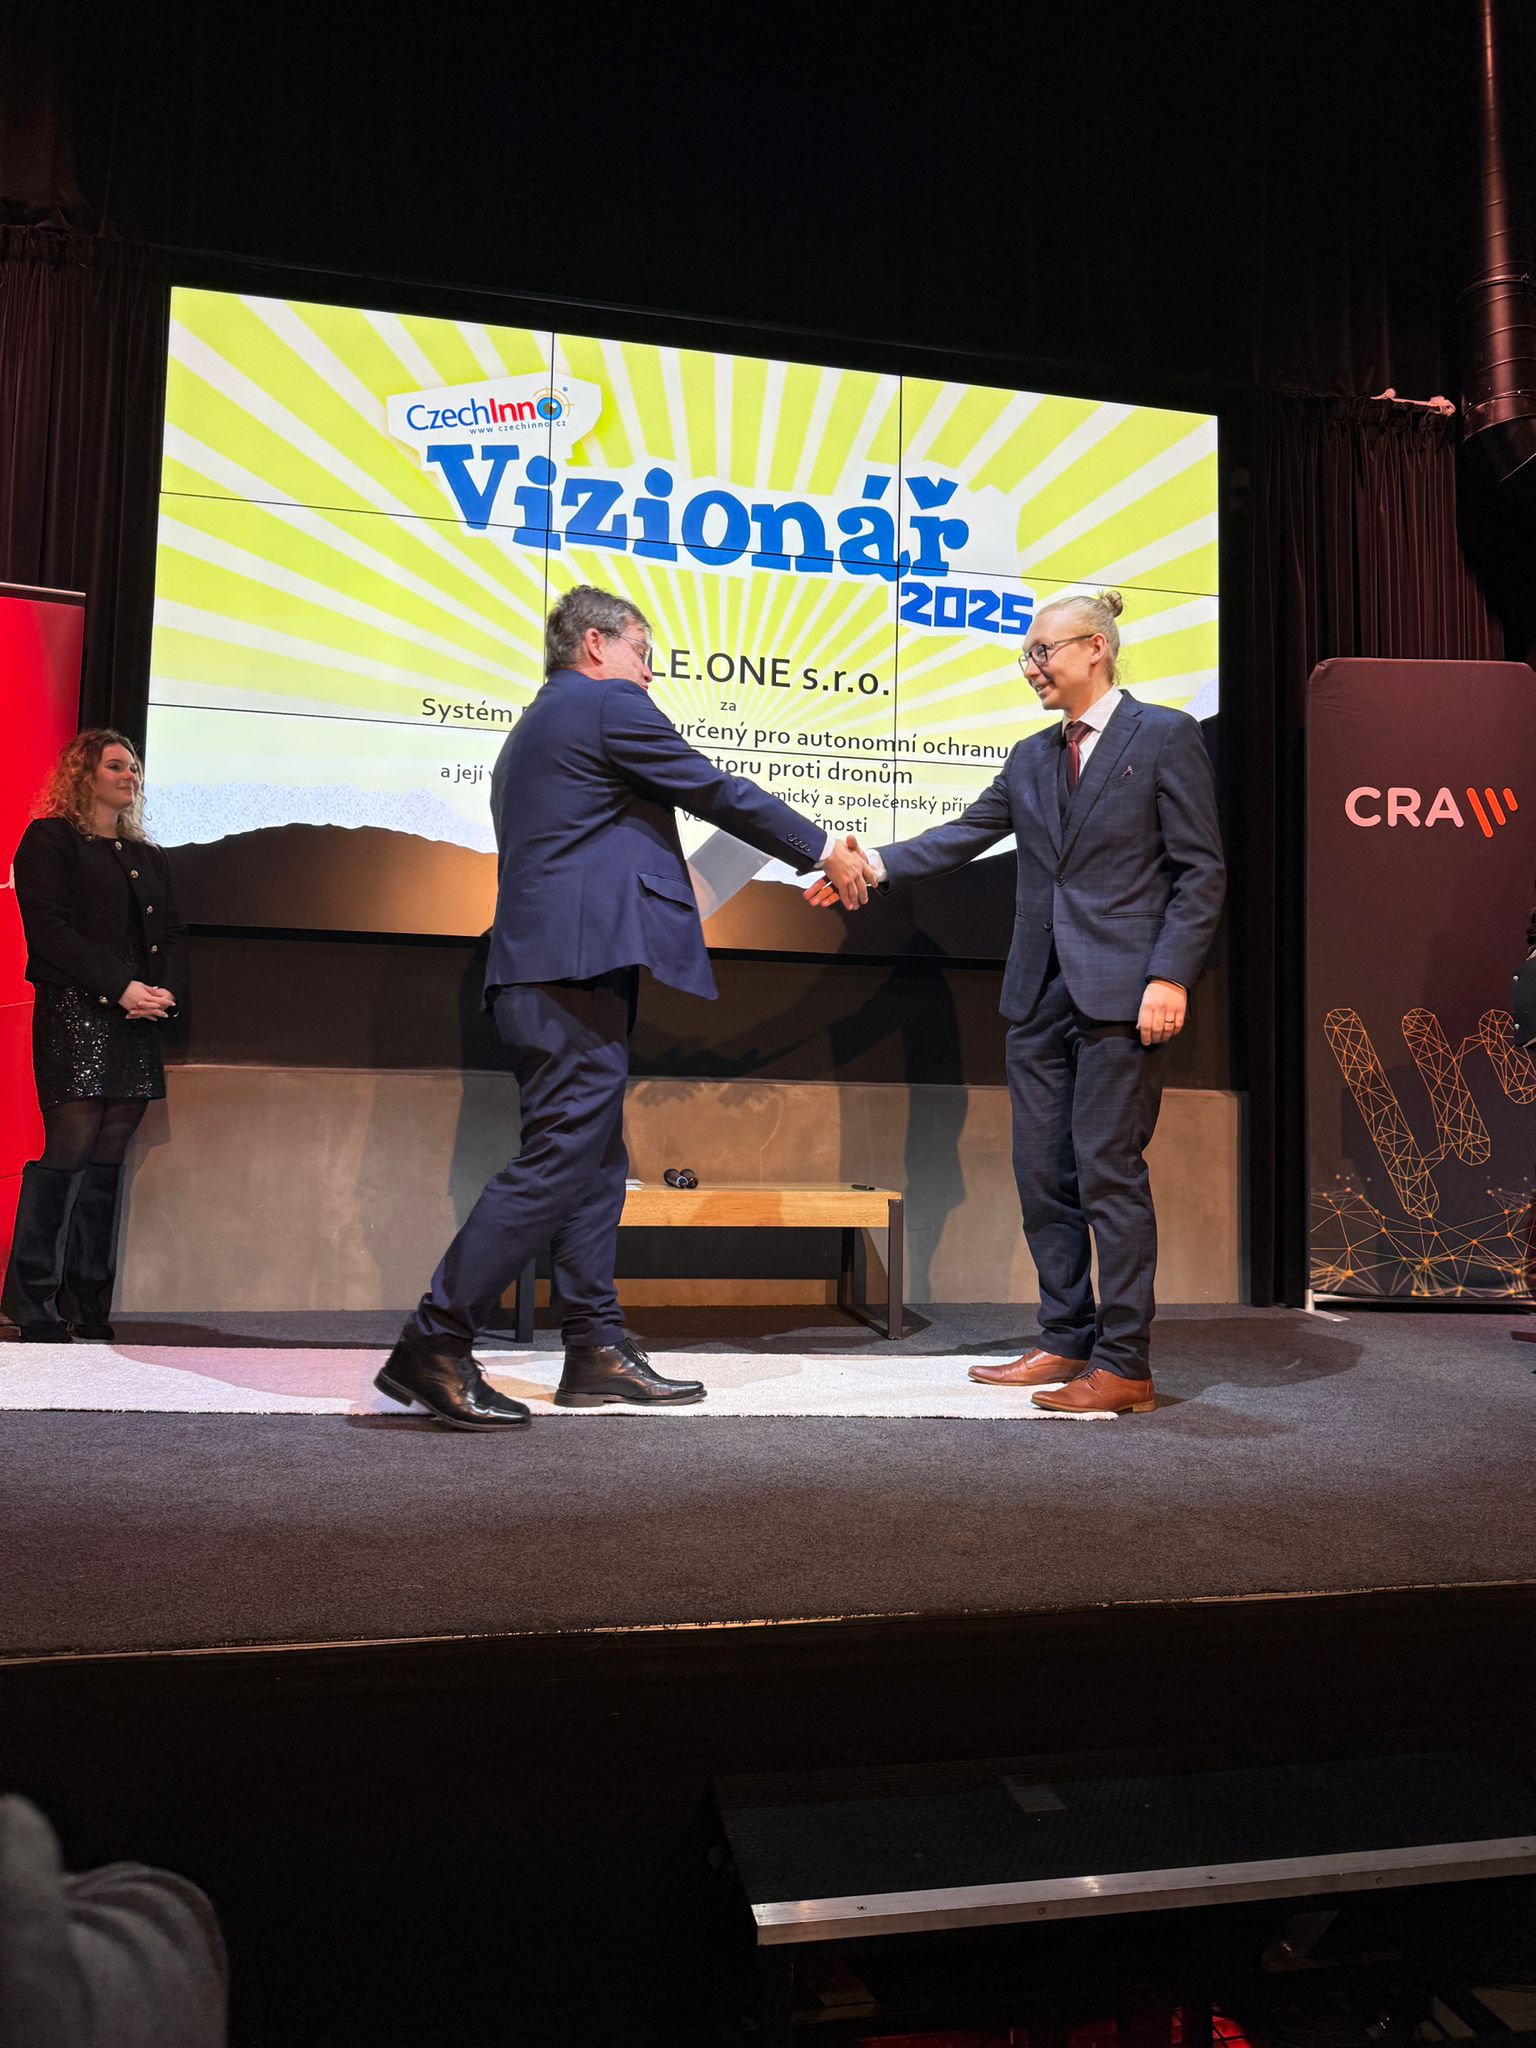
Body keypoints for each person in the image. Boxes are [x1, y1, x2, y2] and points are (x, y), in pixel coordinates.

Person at [375, 584, 875, 1430]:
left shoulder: (541, 725)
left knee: (595, 1163)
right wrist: (825, 847)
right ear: (597, 645)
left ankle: (595, 1350)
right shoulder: (603, 706)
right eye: (645, 654)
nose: (650, 675)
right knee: (558, 1160)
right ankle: (434, 1341)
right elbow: (718, 790)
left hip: (560, 970)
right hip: (567, 972)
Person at [811, 589, 1225, 1414]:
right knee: (1042, 1176)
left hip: (1123, 995)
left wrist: (1171, 975)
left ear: (1096, 648)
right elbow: (962, 834)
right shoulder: (1032, 757)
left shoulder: (1164, 735)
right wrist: (868, 866)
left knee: (1108, 1174)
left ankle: (1126, 1364)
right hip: (1037, 995)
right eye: (1026, 656)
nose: (1031, 667)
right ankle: (1066, 1337)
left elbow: (1200, 871)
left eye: (1043, 651)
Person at [2, 731, 186, 1343]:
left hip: (136, 1019)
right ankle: (31, 1298)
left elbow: (171, 935)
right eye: (115, 765)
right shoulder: (50, 840)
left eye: (134, 766)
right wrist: (120, 987)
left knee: (109, 1155)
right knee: (70, 1149)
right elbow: (48, 931)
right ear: (84, 774)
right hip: (77, 1012)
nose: (130, 775)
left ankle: (88, 1300)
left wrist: (161, 992)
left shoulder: (147, 854)